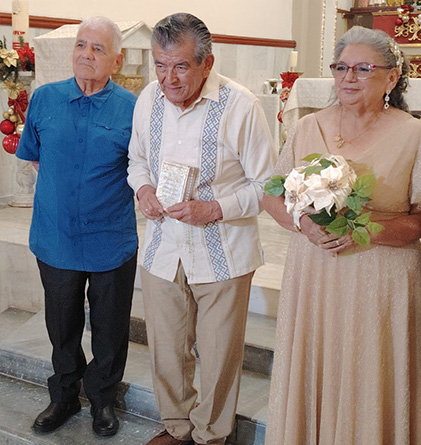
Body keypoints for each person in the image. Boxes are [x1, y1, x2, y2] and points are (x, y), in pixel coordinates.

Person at [264, 26, 421, 444]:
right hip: (315, 271)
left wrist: (367, 232)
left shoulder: (416, 135)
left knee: (369, 370)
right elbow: (272, 195)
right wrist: (303, 223)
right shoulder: (307, 127)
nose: (348, 78)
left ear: (391, 78)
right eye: (341, 68)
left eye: (362, 69)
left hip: (381, 275)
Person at [127, 13, 275, 445]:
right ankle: (176, 429)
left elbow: (267, 185)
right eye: (159, 64)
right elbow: (136, 160)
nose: (168, 78)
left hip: (223, 251)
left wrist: (214, 208)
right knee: (167, 350)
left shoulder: (241, 105)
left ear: (207, 63)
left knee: (218, 355)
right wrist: (144, 189)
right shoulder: (147, 99)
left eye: (180, 66)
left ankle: (211, 435)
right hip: (162, 246)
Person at [15, 16, 137, 438]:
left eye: (97, 48)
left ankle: (102, 400)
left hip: (111, 239)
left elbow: (143, 172)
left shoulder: (134, 109)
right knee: (61, 325)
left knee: (110, 326)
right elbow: (33, 155)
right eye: (81, 45)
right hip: (56, 238)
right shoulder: (44, 99)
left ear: (116, 61)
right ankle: (64, 396)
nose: (86, 54)